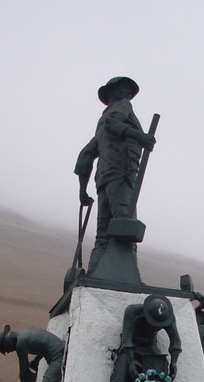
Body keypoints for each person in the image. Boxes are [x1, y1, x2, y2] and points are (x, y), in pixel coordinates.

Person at [74, 76, 156, 274]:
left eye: (130, 90)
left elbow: (85, 156)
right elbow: (113, 123)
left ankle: (94, 275)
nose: (129, 92)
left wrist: (82, 191)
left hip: (103, 180)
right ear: (112, 91)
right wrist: (140, 136)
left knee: (103, 234)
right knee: (125, 227)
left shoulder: (100, 124)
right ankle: (127, 278)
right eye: (125, 87)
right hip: (122, 175)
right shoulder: (123, 106)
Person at [106, 295, 181, 382]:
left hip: (150, 346)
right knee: (122, 366)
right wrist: (131, 361)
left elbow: (175, 342)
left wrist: (174, 363)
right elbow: (127, 340)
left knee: (159, 368)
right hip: (132, 346)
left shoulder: (167, 317)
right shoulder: (133, 311)